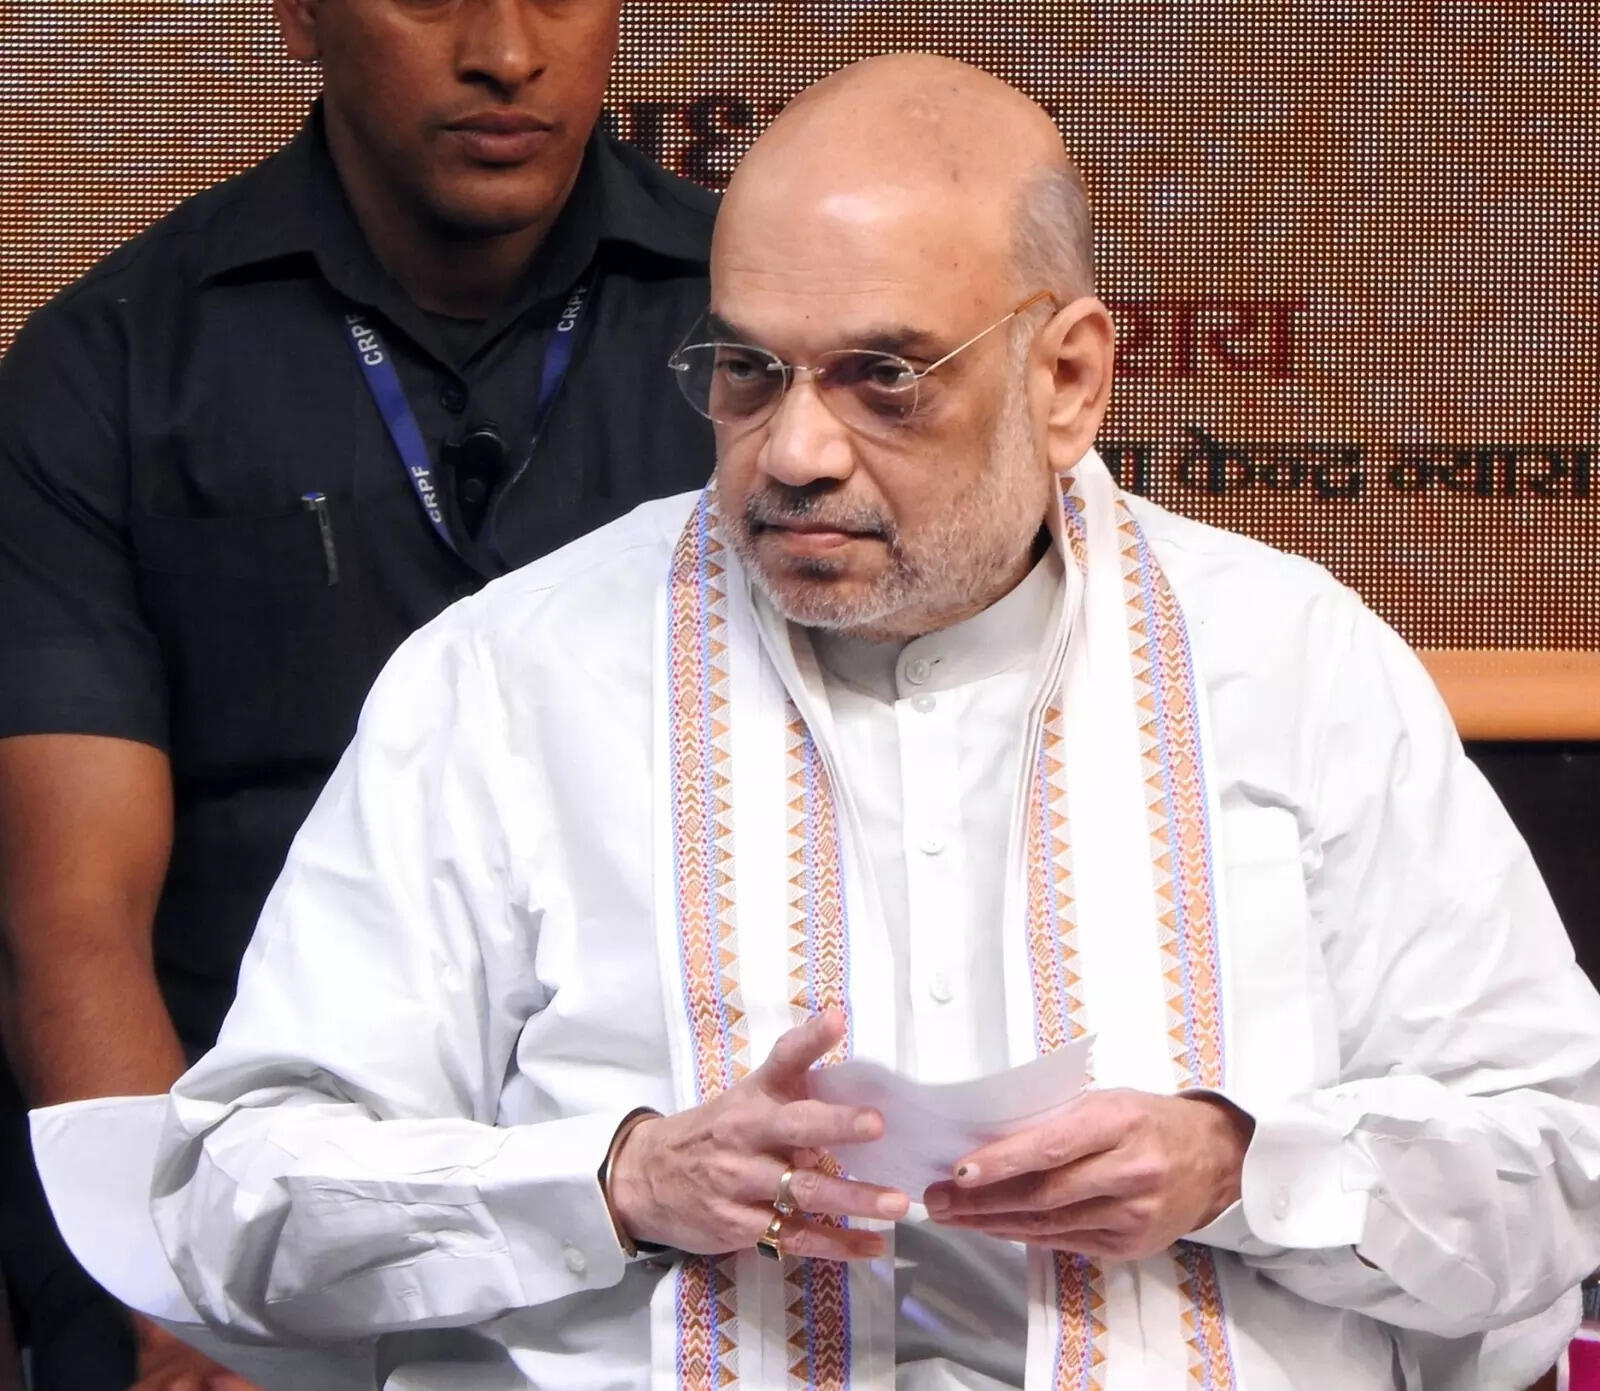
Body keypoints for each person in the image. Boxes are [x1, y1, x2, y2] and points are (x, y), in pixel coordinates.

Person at [32, 52, 1600, 1391]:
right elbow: (234, 1190)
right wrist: (615, 1182)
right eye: (747, 371)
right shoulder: (509, 678)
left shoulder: (1295, 662)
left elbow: (1560, 1160)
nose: (793, 452)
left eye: (884, 378)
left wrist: (1246, 1167)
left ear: (1068, 378)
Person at [0, 1, 714, 1386]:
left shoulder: (764, 333)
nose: (507, 51)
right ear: (298, 14)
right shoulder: (111, 363)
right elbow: (72, 919)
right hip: (229, 1180)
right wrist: (180, 1303)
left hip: (667, 1196)